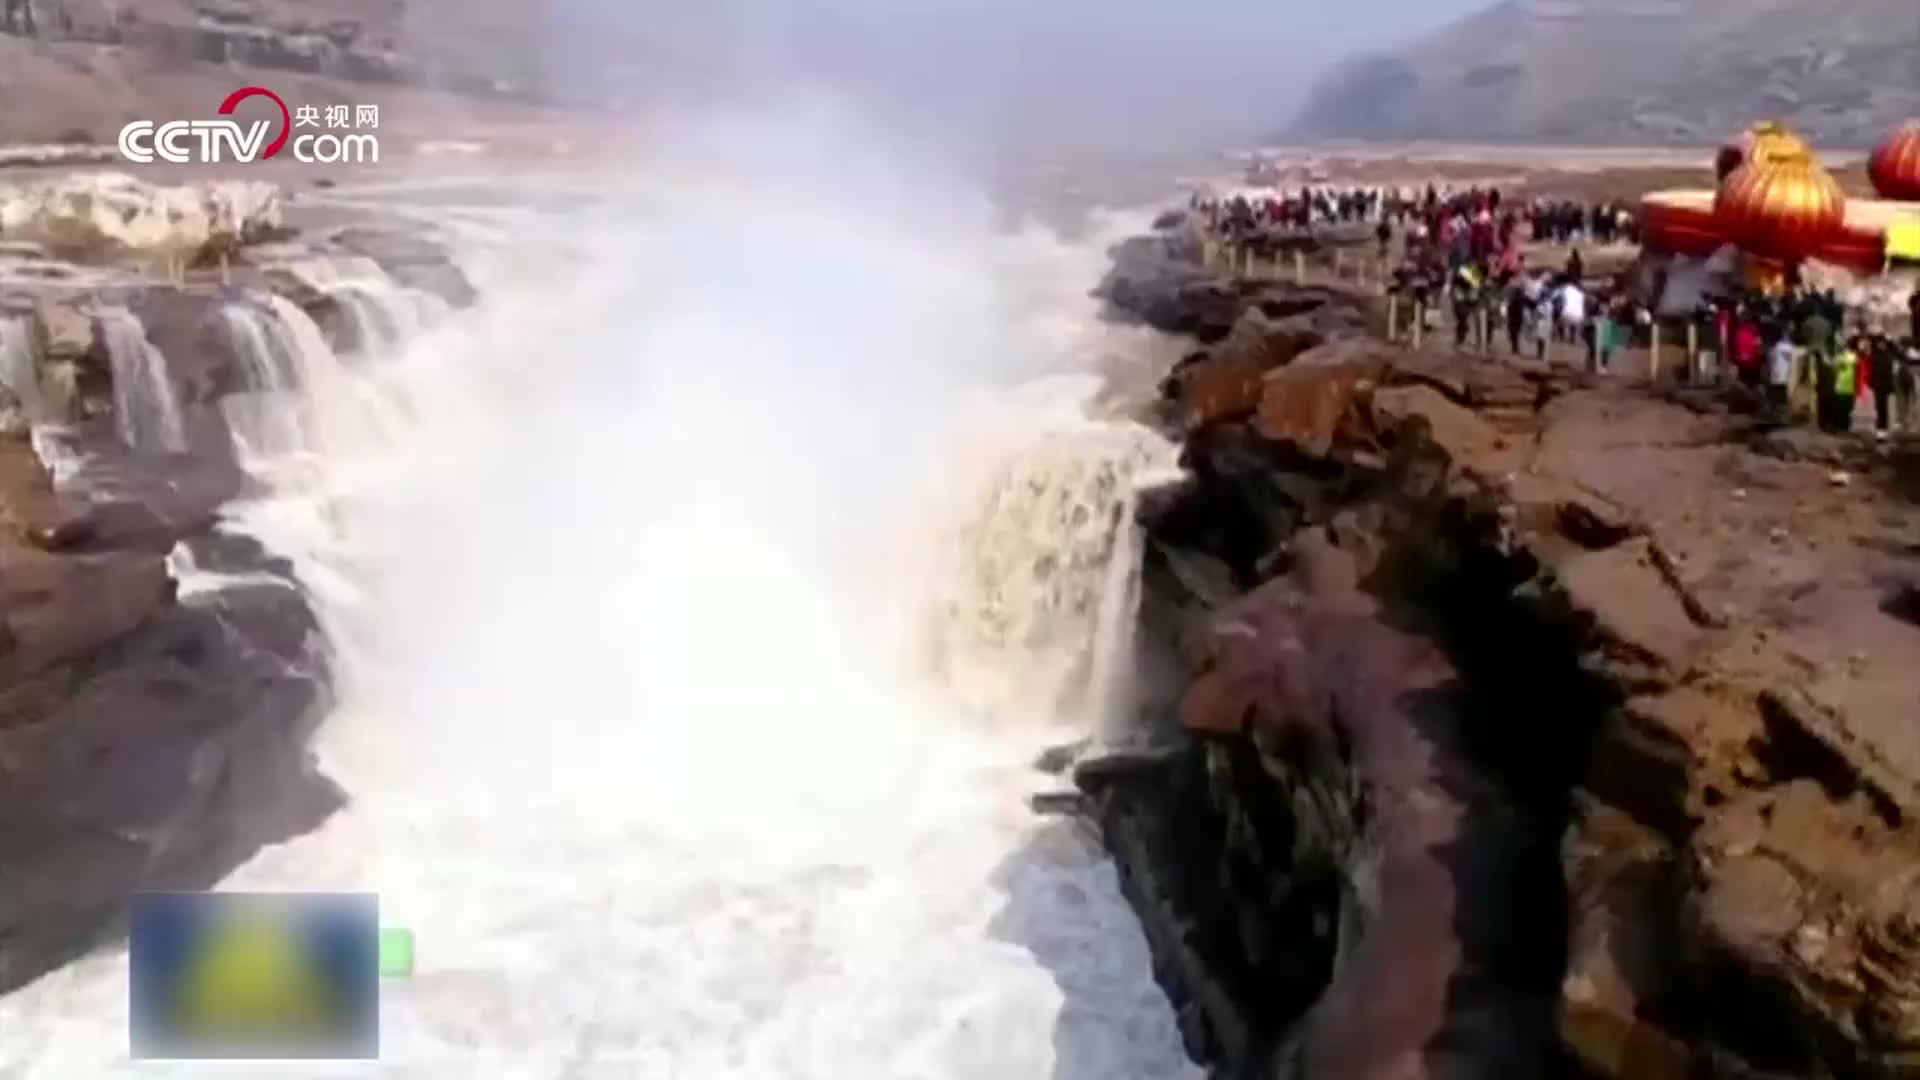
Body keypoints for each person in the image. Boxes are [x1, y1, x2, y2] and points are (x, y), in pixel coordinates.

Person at [1766, 329, 1797, 419]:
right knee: (1782, 395)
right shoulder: (1784, 347)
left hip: (1775, 374)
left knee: (1776, 395)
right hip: (1782, 375)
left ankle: (1775, 411)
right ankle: (1781, 413)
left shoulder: (1774, 347)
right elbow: (1794, 353)